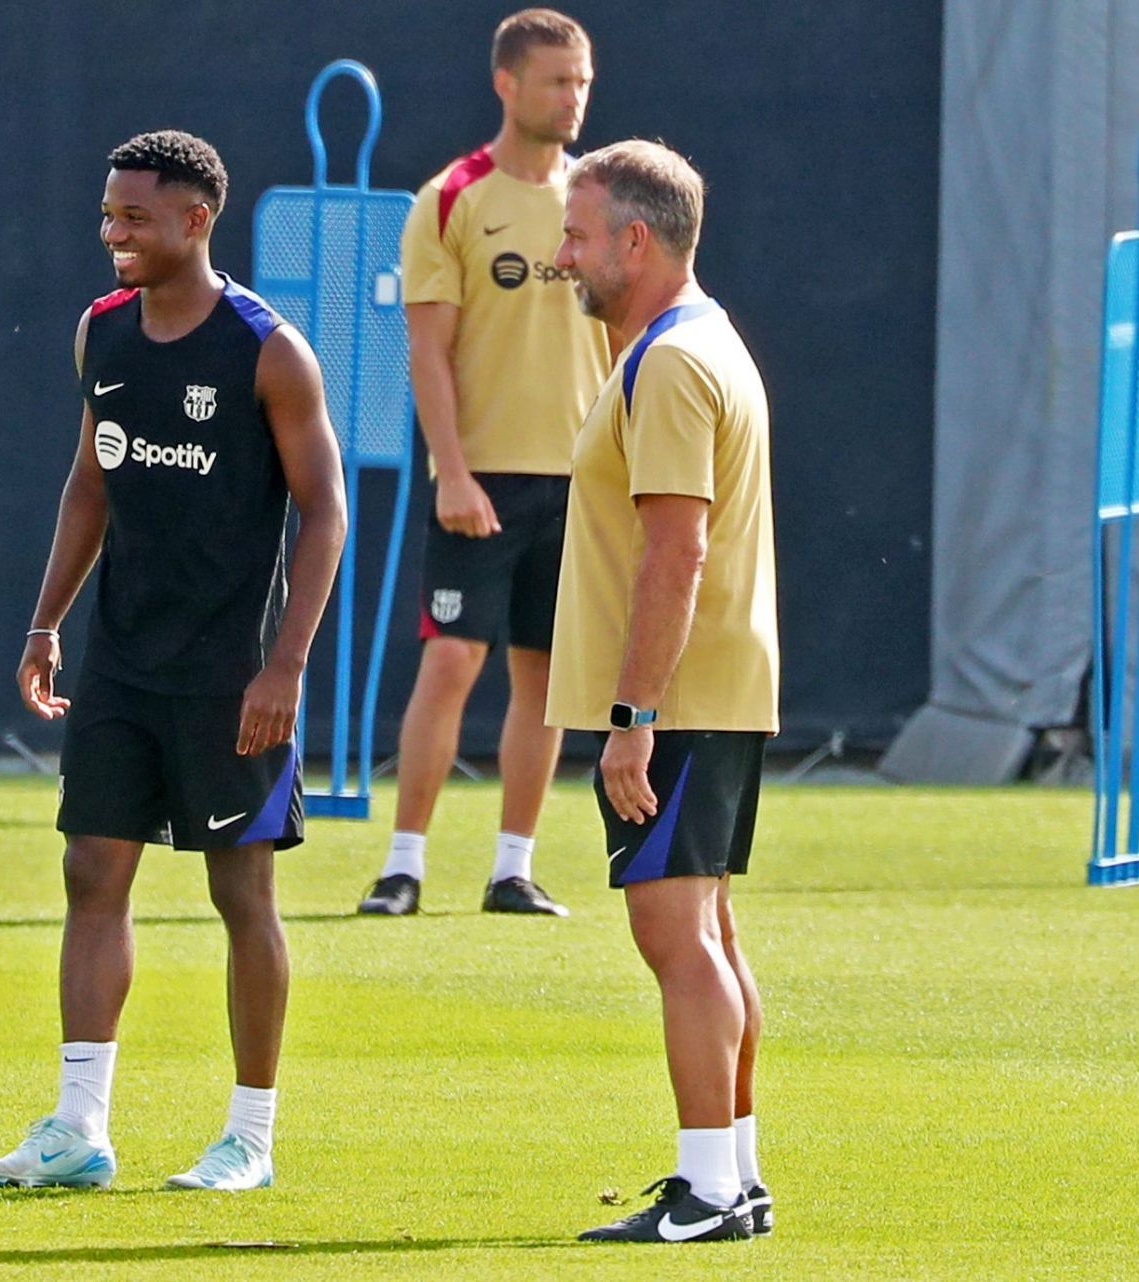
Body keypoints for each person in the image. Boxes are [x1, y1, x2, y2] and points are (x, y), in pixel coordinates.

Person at [0, 130, 346, 1193]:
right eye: (105, 216)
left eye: (133, 217)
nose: (113, 235)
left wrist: (286, 667)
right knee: (92, 869)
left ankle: (250, 1138)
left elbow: (326, 513)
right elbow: (91, 480)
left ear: (196, 220)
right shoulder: (103, 334)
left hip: (233, 675)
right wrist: (47, 623)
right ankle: (79, 1128)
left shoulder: (269, 349)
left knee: (242, 893)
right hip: (122, 663)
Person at [548, 140, 779, 1243]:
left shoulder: (673, 361)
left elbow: (674, 552)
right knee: (711, 933)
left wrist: (632, 717)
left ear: (635, 241)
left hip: (679, 700)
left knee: (676, 938)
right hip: (712, 689)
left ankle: (708, 1189)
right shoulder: (697, 340)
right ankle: (732, 1173)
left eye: (580, 235)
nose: (564, 257)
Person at [357, 8, 609, 918]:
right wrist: (452, 471)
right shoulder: (453, 197)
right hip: (483, 478)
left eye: (581, 81)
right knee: (455, 660)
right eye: (556, 80)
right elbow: (429, 351)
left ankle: (513, 867)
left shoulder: (601, 198)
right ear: (506, 83)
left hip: (579, 483)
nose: (573, 97)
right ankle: (404, 864)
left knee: (545, 676)